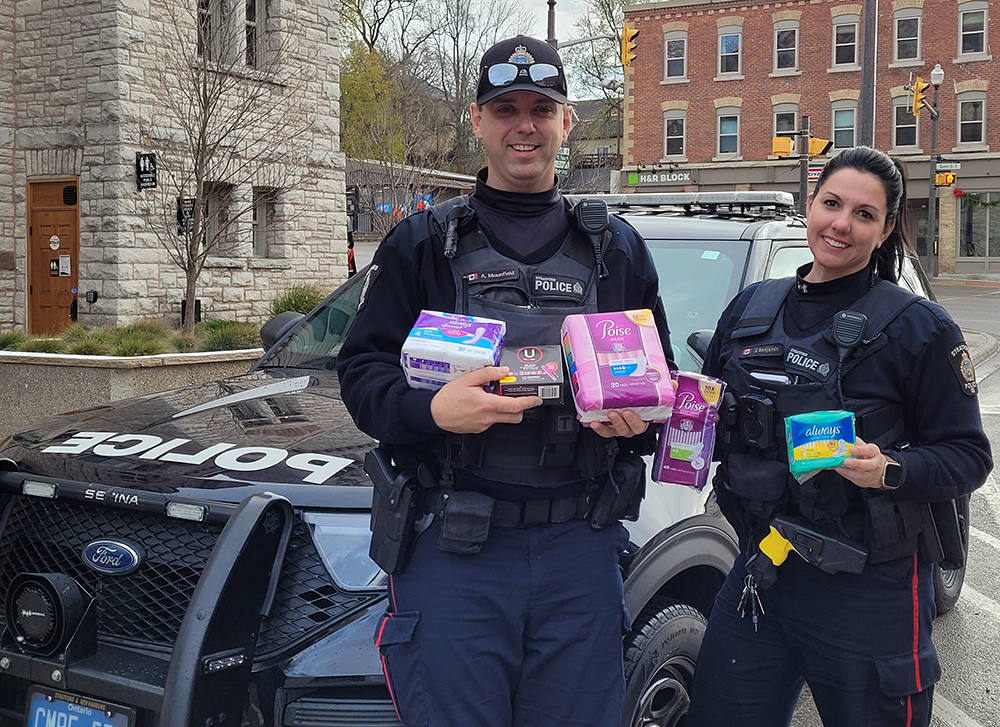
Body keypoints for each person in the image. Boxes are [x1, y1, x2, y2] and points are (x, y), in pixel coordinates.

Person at [337, 35, 673, 727]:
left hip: (580, 547)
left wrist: (642, 424)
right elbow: (361, 374)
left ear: (566, 122)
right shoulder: (423, 242)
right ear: (477, 120)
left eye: (541, 109)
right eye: (505, 108)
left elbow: (659, 392)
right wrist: (431, 410)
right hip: (457, 549)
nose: (524, 125)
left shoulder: (618, 251)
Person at [687, 146, 992, 727]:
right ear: (810, 205)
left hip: (869, 590)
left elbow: (968, 456)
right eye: (832, 203)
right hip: (762, 568)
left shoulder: (918, 328)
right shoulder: (753, 307)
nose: (841, 224)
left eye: (864, 214)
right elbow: (703, 406)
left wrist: (890, 470)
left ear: (885, 230)